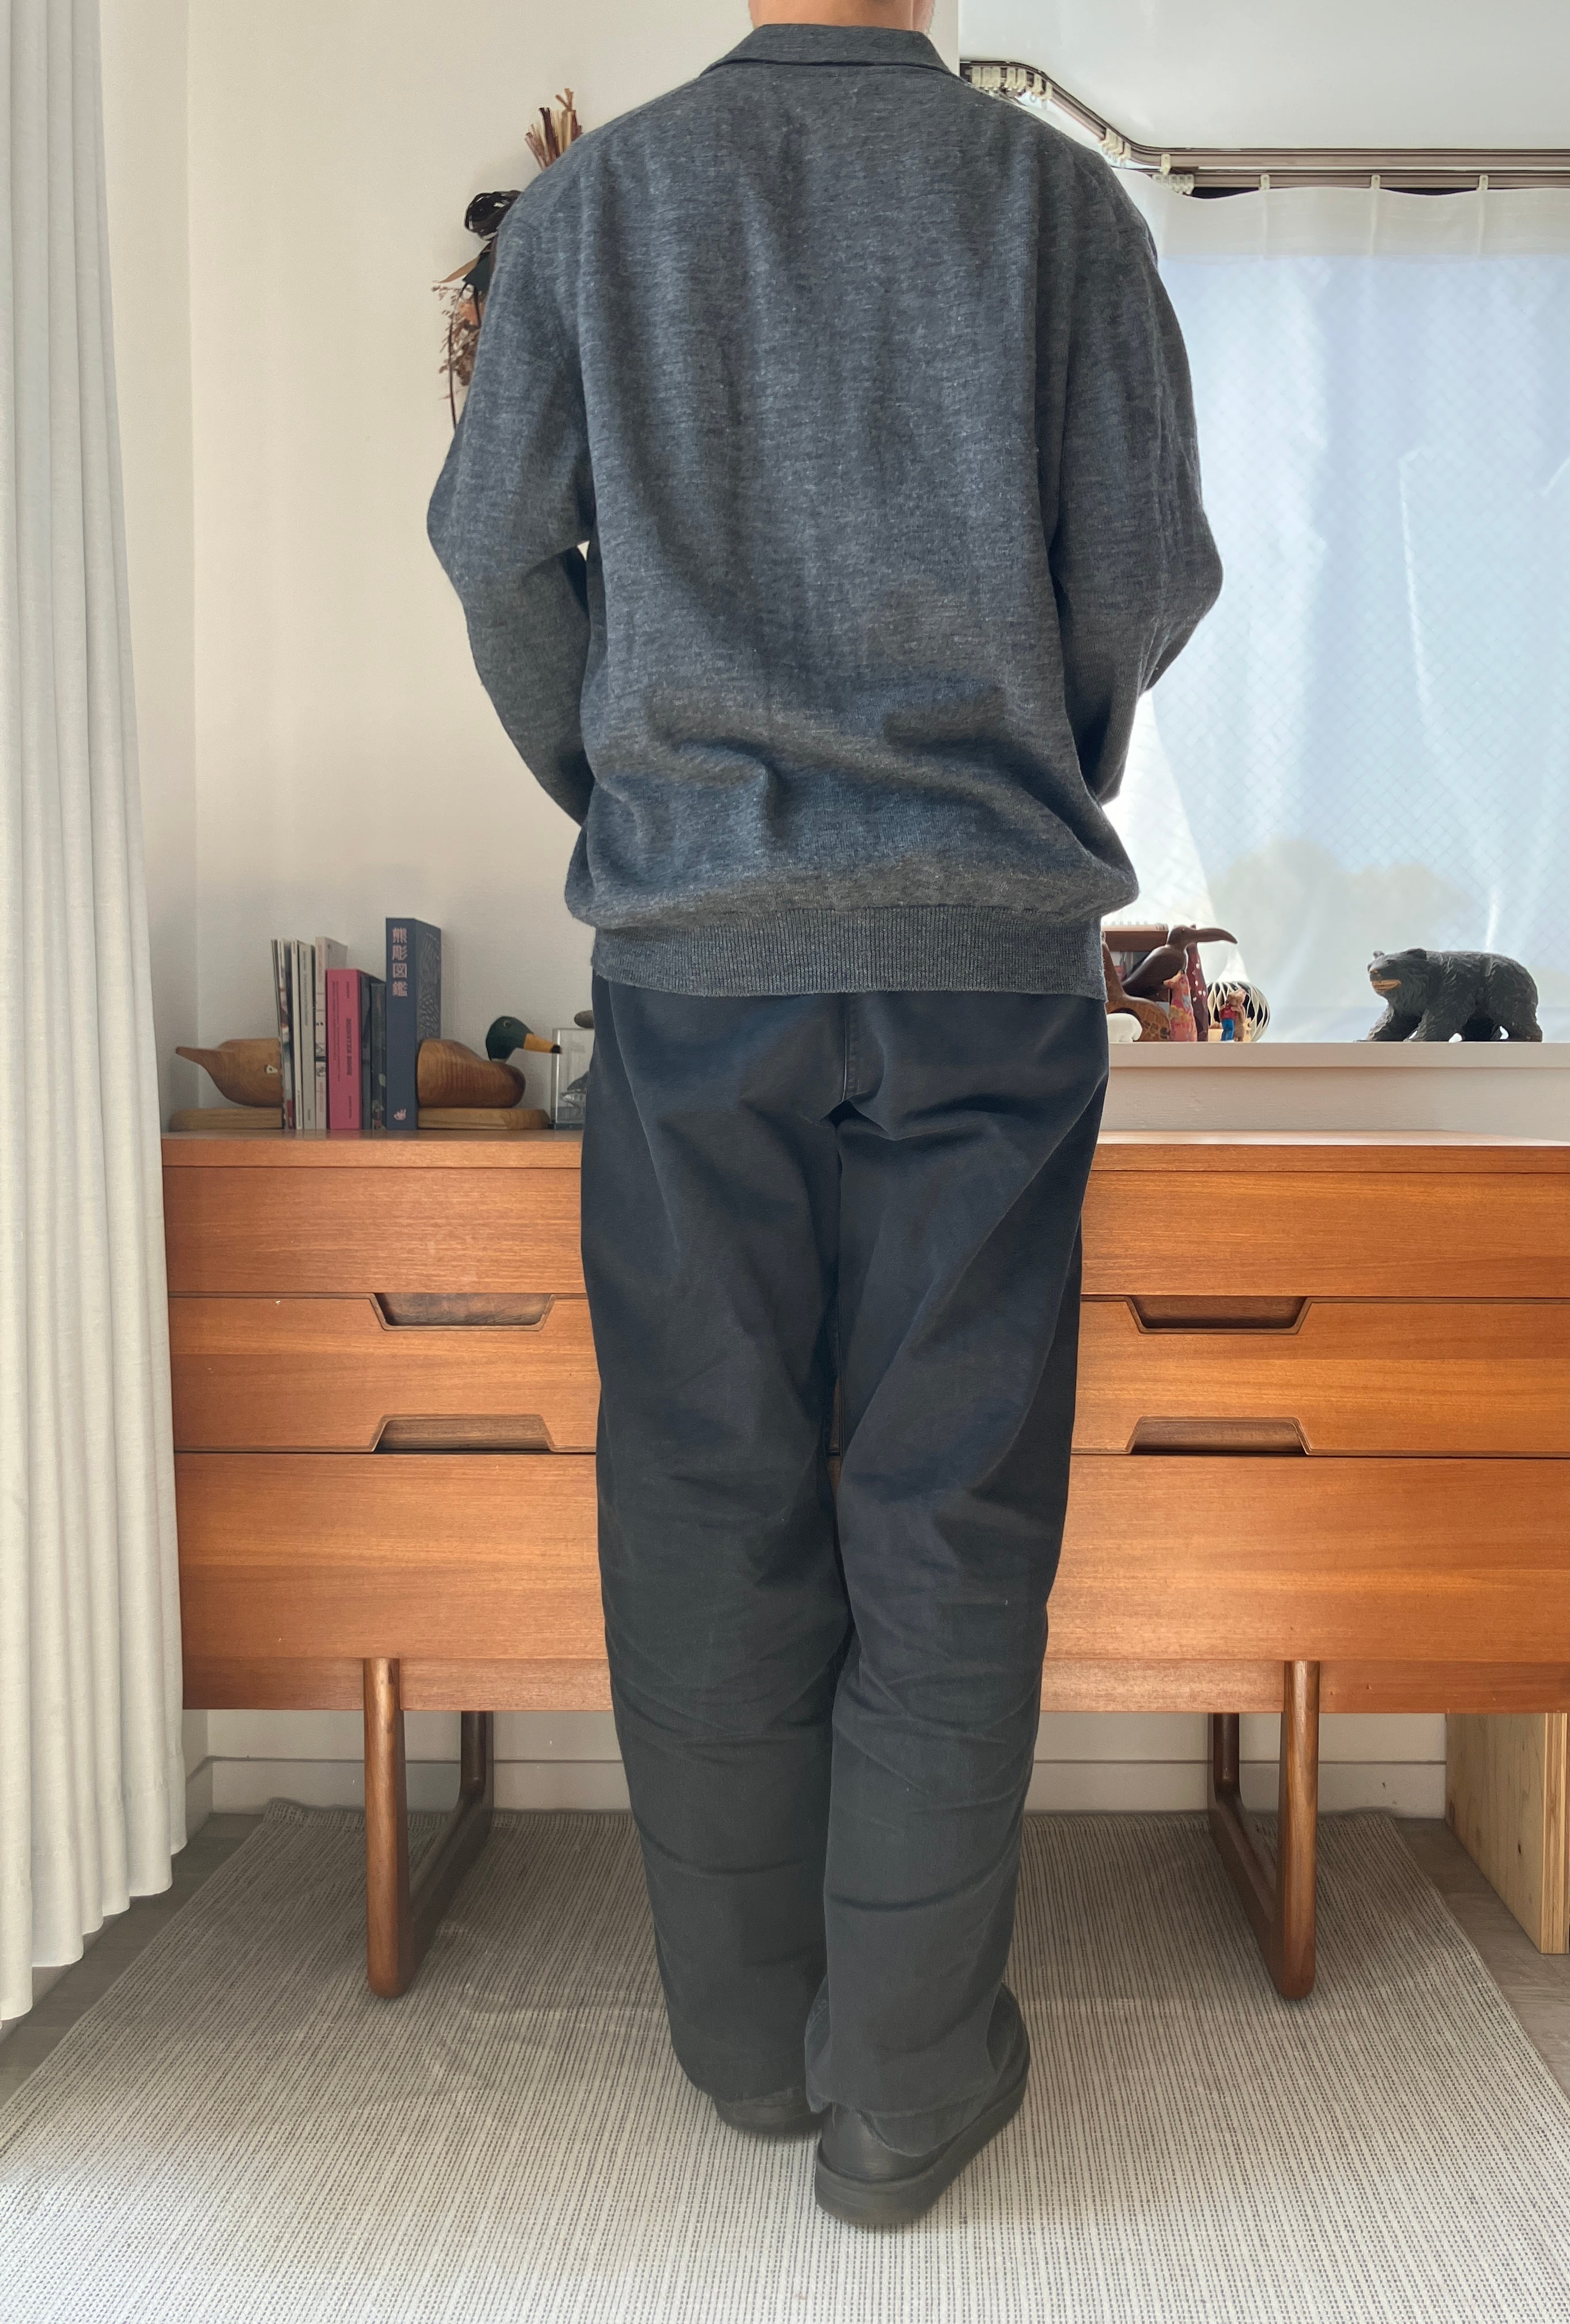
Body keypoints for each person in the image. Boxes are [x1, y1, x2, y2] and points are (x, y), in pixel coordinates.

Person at [428, 0, 1219, 2228]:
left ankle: (742, 2049)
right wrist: (1027, 770)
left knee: (706, 1498)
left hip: (698, 975)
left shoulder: (601, 206)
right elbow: (1145, 576)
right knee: (950, 1513)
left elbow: (494, 554)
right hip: (982, 967)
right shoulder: (1058, 209)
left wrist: (637, 806)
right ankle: (903, 2093)